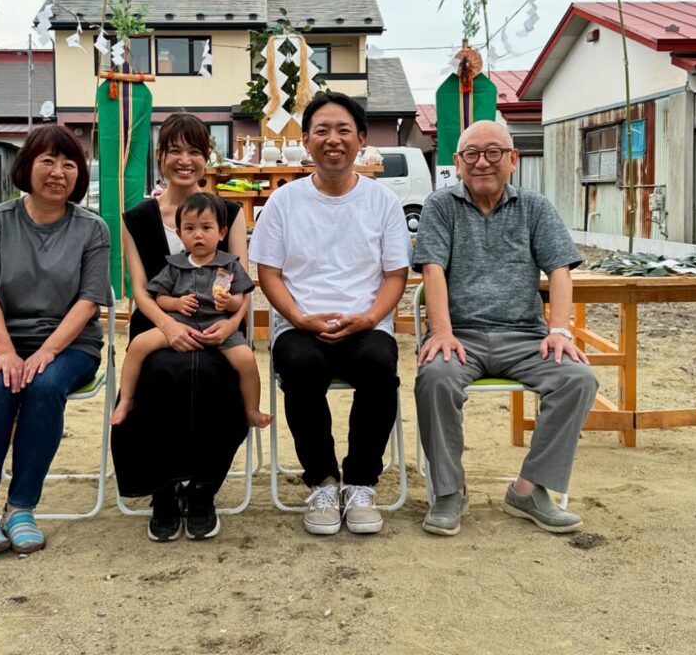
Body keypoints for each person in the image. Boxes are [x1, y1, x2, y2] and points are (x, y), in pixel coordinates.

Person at [413, 119, 598, 537]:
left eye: (493, 152)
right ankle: (449, 490)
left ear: (513, 159)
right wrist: (440, 331)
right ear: (457, 163)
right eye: (472, 155)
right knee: (435, 378)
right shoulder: (440, 206)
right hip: (461, 336)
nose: (483, 162)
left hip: (525, 337)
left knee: (577, 378)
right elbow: (432, 270)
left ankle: (529, 489)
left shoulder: (535, 207)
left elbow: (559, 270)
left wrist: (559, 331)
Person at [250, 92, 410, 536]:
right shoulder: (284, 203)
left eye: (343, 130)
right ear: (306, 141)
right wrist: (299, 319)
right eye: (321, 130)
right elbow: (269, 272)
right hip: (300, 324)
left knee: (380, 365)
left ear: (361, 139)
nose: (332, 140)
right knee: (299, 366)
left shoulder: (383, 202)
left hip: (367, 323)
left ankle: (360, 482)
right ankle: (322, 481)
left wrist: (369, 317)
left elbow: (395, 275)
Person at [0, 124, 110, 558]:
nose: (58, 172)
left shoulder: (92, 229)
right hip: (0, 339)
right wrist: (6, 353)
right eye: (47, 160)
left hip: (71, 344)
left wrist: (45, 353)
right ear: (27, 166)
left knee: (44, 386)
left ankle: (21, 507)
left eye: (69, 164)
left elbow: (89, 302)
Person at [111, 114, 250, 542]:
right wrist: (169, 327)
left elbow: (242, 282)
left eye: (195, 151)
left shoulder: (229, 212)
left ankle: (205, 488)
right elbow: (139, 289)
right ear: (161, 156)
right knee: (161, 374)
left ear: (207, 158)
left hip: (217, 325)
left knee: (218, 376)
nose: (185, 161)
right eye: (175, 151)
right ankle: (165, 490)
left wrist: (230, 324)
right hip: (157, 322)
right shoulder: (137, 218)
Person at [110, 192, 271, 430]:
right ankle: (126, 400)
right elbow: (160, 297)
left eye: (206, 228)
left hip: (218, 328)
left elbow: (241, 298)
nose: (198, 235)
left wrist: (229, 304)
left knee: (247, 359)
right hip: (179, 325)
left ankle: (251, 409)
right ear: (179, 234)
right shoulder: (175, 265)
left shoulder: (229, 264)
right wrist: (176, 304)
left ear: (221, 233)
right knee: (137, 345)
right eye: (190, 228)